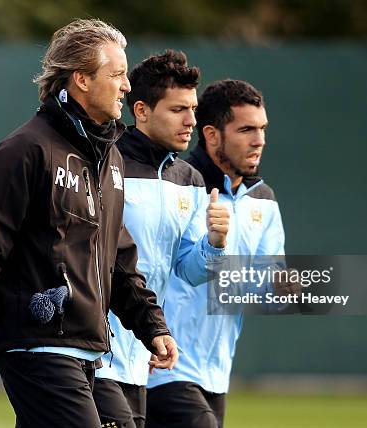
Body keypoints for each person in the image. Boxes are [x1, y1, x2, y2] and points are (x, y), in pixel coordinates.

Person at [0, 19, 178, 428]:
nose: (127, 86)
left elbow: (117, 261)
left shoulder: (110, 160)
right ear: (81, 79)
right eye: (117, 74)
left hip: (88, 351)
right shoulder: (23, 151)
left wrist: (151, 326)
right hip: (37, 345)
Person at [92, 51, 231, 428]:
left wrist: (215, 244)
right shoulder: (105, 162)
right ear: (140, 110)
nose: (191, 121)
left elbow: (190, 271)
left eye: (193, 109)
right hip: (93, 352)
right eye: (178, 110)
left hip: (144, 359)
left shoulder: (189, 179)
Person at [146, 79, 296, 427]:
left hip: (215, 374)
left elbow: (261, 292)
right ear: (211, 135)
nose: (259, 140)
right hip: (163, 368)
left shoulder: (264, 201)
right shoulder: (176, 185)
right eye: (246, 129)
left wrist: (279, 287)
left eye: (262, 129)